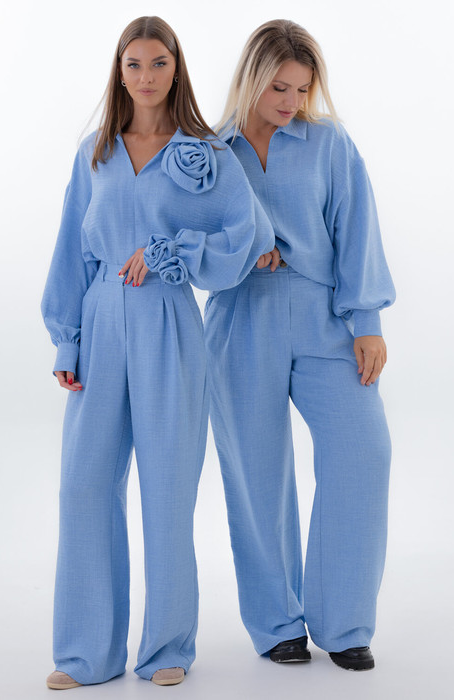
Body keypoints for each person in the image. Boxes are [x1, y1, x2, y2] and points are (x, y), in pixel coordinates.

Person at [41, 15, 274, 689]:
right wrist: (67, 338)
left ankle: (167, 647)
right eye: (134, 64)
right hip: (99, 322)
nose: (146, 77)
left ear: (177, 69)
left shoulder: (205, 152)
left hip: (169, 322)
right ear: (120, 73)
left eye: (159, 63)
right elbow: (72, 250)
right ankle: (86, 655)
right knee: (84, 487)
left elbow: (248, 235)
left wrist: (175, 252)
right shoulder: (96, 153)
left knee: (168, 489)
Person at [204, 19, 396, 671]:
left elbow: (356, 225)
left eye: (302, 88)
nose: (291, 101)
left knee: (364, 451)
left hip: (323, 315)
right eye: (279, 87)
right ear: (251, 79)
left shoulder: (329, 143)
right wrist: (238, 254)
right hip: (239, 318)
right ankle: (276, 622)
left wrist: (366, 321)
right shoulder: (210, 151)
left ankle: (344, 623)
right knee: (256, 473)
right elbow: (188, 239)